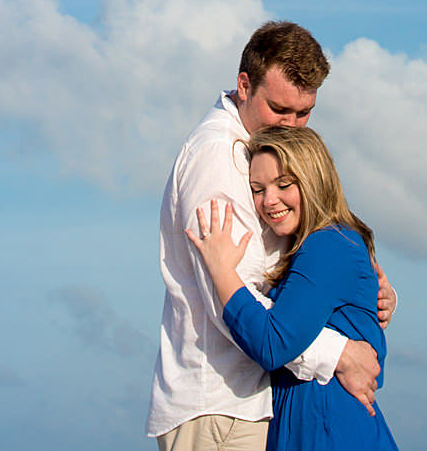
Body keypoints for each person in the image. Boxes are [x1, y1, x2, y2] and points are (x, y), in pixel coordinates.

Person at [147, 22, 396, 450]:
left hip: (252, 402)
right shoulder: (218, 158)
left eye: (304, 113)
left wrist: (362, 289)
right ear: (244, 85)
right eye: (280, 109)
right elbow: (230, 291)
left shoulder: (261, 157)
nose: (293, 125)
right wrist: (338, 354)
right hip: (220, 405)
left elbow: (286, 277)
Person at [186, 126, 398, 451]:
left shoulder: (328, 245)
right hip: (307, 425)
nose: (269, 201)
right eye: (258, 189)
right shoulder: (314, 249)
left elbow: (273, 343)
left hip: (331, 429)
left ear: (314, 181)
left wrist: (221, 269)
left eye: (284, 184)